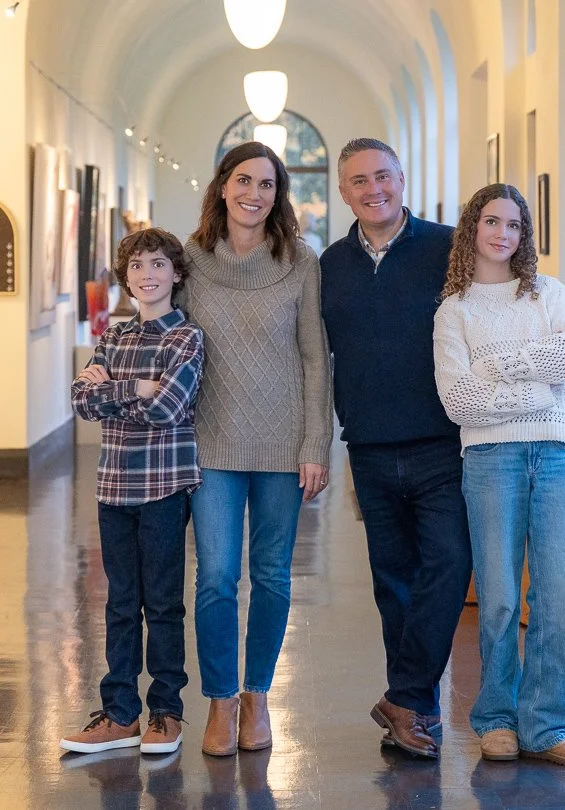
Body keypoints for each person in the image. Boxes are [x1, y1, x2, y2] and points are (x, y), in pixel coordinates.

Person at [320, 138, 565, 760]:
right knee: (393, 583)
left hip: (446, 446)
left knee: (449, 566)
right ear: (343, 192)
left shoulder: (449, 247)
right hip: (368, 441)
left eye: (382, 176)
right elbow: (315, 353)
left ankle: (413, 698)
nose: (373, 189)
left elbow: (519, 312)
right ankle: (412, 707)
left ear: (402, 178)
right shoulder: (330, 264)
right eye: (358, 181)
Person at [433, 183, 565, 767]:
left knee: (556, 592)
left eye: (513, 224)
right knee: (499, 596)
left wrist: (500, 370)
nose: (502, 234)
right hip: (490, 460)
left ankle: (551, 725)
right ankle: (498, 718)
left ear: (524, 234)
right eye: (491, 222)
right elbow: (459, 401)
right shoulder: (453, 311)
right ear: (471, 230)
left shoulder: (548, 294)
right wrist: (542, 392)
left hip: (558, 456)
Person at [179, 141, 333, 756]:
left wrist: (315, 443)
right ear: (222, 187)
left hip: (283, 446)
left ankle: (257, 695)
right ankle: (220, 700)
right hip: (208, 445)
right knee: (216, 577)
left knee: (270, 576)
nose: (254, 194)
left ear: (279, 195)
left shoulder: (300, 261)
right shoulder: (189, 261)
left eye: (267, 185)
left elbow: (315, 359)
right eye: (244, 181)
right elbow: (166, 337)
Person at [61, 227, 204, 757]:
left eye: (159, 265)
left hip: (164, 486)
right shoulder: (114, 337)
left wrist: (113, 391)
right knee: (121, 603)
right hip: (113, 486)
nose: (148, 275)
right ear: (126, 279)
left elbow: (170, 409)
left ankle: (165, 711)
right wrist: (137, 388)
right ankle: (119, 713)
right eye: (138, 267)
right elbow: (82, 401)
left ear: (177, 274)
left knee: (163, 603)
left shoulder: (186, 337)